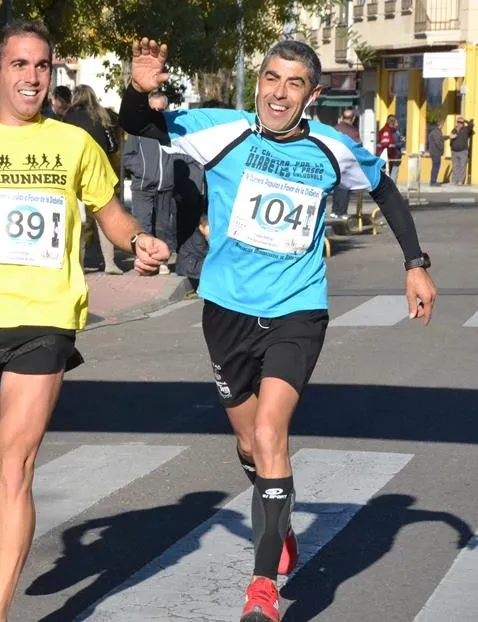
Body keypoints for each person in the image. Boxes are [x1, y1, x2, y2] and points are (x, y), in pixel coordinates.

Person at [122, 37, 437, 622]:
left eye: (294, 84)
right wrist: (139, 89)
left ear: (312, 95)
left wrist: (414, 263)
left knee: (271, 433)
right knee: (249, 443)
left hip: (297, 311)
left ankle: (262, 587)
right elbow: (141, 124)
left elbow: (384, 188)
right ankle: (279, 517)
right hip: (226, 310)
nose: (279, 93)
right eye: (272, 78)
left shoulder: (331, 147)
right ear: (260, 81)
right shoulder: (223, 130)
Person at [0, 21, 169, 622]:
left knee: (14, 465)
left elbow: (110, 214)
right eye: (19, 65)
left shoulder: (74, 143)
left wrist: (137, 240)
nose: (32, 76)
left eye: (42, 65)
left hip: (45, 317)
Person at [63, 84, 123, 274]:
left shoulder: (68, 118)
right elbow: (112, 146)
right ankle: (110, 263)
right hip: (99, 170)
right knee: (103, 217)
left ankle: (79, 264)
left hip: (75, 171)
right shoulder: (102, 116)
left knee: (78, 219)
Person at [329, 108, 361, 220]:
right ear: (353, 119)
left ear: (342, 117)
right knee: (346, 187)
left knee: (337, 186)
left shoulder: (335, 129)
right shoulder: (353, 132)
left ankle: (334, 210)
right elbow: (357, 147)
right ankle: (342, 212)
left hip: (335, 161)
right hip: (347, 162)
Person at [449, 115, 473, 185]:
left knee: (462, 166)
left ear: (463, 123)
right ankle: (454, 180)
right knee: (455, 166)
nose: (459, 123)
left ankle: (460, 181)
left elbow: (471, 125)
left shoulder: (466, 129)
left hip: (463, 151)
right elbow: (451, 139)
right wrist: (452, 148)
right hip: (454, 152)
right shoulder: (454, 130)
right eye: (458, 122)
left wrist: (464, 120)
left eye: (460, 122)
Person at [377, 114, 402, 181]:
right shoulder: (394, 132)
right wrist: (401, 143)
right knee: (393, 175)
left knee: (386, 174)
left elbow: (378, 143)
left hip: (385, 156)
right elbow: (398, 144)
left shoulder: (382, 131)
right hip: (394, 156)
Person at [427, 119, 447, 186]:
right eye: (443, 125)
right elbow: (438, 142)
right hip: (436, 152)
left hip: (434, 152)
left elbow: (440, 138)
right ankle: (433, 182)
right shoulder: (436, 132)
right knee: (435, 167)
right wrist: (442, 150)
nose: (443, 126)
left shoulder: (434, 131)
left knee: (435, 167)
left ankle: (433, 181)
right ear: (440, 125)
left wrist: (448, 136)